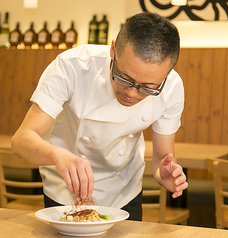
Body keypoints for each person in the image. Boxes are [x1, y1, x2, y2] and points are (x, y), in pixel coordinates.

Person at [11, 12, 188, 221]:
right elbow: (21, 140)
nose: (132, 93)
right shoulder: (72, 67)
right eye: (124, 78)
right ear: (113, 50)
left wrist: (164, 172)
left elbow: (162, 157)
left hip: (125, 191)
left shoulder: (172, 88)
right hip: (65, 190)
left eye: (148, 88)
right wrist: (57, 155)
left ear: (166, 75)